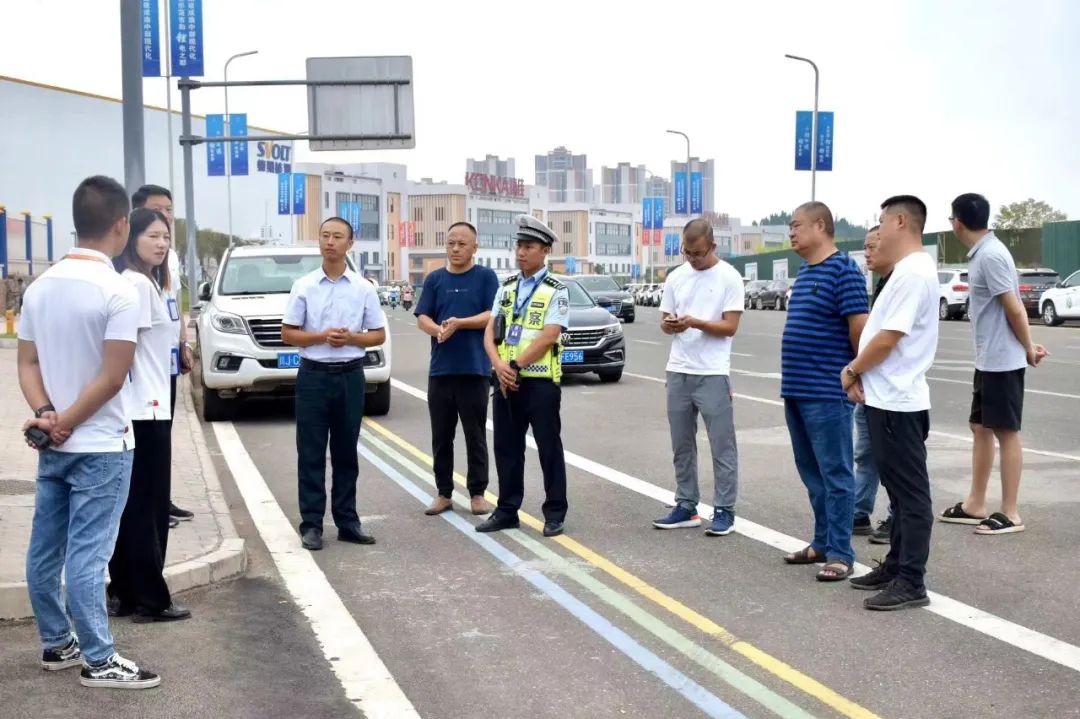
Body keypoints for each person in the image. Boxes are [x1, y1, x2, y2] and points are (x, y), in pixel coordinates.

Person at [18, 175, 160, 688]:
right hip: (101, 444)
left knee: (45, 550)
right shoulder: (119, 290)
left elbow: (27, 363)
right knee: (88, 556)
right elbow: (113, 376)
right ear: (121, 225)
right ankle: (99, 660)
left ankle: (57, 643)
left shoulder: (39, 288)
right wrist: (69, 421)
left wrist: (48, 414)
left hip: (53, 443)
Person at [843, 195, 939, 611]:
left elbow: (887, 338)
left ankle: (912, 581)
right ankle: (897, 565)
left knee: (911, 497)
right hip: (887, 399)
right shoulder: (906, 270)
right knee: (899, 495)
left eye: (882, 221)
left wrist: (853, 369)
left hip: (898, 403)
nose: (878, 230)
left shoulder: (913, 273)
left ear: (900, 221)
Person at [938, 193, 1047, 535]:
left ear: (958, 223)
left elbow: (1014, 307)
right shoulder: (984, 253)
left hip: (1002, 359)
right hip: (989, 358)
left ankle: (1011, 513)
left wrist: (1028, 348)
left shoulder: (991, 256)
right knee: (980, 427)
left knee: (1006, 432)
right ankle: (975, 503)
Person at [107, 208, 191, 624]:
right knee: (148, 508)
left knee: (133, 506)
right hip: (147, 408)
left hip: (143, 406)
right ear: (131, 238)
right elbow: (124, 350)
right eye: (152, 236)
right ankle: (150, 599)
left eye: (166, 237)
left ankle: (124, 591)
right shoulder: (137, 284)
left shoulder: (144, 281)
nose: (161, 244)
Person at [282, 217, 387, 551]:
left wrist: (351, 338)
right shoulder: (304, 285)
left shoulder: (363, 288)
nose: (330, 242)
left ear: (349, 244)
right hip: (313, 375)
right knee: (310, 452)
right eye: (325, 235)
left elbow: (378, 335)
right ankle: (312, 524)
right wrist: (321, 337)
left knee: (345, 452)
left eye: (337, 236)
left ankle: (347, 521)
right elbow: (288, 333)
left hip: (349, 376)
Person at [780, 201, 869, 582]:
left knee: (835, 474)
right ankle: (821, 542)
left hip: (826, 391)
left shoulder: (844, 270)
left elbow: (859, 326)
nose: (791, 232)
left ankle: (841, 553)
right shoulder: (806, 271)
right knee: (812, 473)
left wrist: (857, 372)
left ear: (820, 226)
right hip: (797, 389)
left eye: (796, 225)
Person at [477, 215, 570, 537]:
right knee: (506, 449)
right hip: (506, 383)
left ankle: (555, 513)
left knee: (548, 448)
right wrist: (498, 366)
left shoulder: (556, 290)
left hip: (540, 383)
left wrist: (514, 366)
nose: (521, 252)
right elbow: (489, 332)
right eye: (518, 246)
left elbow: (549, 335)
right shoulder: (506, 288)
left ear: (545, 250)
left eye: (528, 246)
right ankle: (506, 511)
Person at [651, 219, 745, 536]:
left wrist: (695, 322)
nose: (692, 259)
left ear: (712, 246)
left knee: (722, 446)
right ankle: (686, 505)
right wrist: (672, 324)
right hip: (678, 368)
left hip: (712, 372)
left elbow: (730, 327)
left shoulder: (729, 277)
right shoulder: (676, 277)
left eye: (698, 253)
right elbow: (664, 322)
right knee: (681, 445)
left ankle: (724, 510)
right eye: (687, 252)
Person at [414, 221, 499, 516]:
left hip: (475, 370)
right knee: (441, 436)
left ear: (475, 247)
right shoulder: (435, 279)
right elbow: (422, 317)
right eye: (451, 243)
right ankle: (443, 493)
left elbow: (492, 314)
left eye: (462, 244)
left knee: (475, 435)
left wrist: (460, 323)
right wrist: (438, 329)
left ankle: (477, 493)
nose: (455, 248)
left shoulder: (486, 277)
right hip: (441, 371)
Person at [131, 184, 195, 527]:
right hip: (145, 368)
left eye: (170, 211)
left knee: (163, 435)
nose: (167, 217)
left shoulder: (167, 256)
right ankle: (149, 505)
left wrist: (184, 344)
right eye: (159, 210)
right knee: (148, 439)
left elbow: (174, 305)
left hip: (167, 358)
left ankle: (161, 500)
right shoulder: (135, 272)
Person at [854, 226, 894, 545]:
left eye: (872, 247)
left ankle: (899, 516)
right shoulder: (882, 283)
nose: (866, 253)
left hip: (891, 391)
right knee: (866, 452)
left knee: (892, 456)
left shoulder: (901, 284)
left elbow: (888, 340)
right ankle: (858, 511)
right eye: (865, 247)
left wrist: (853, 369)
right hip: (871, 383)